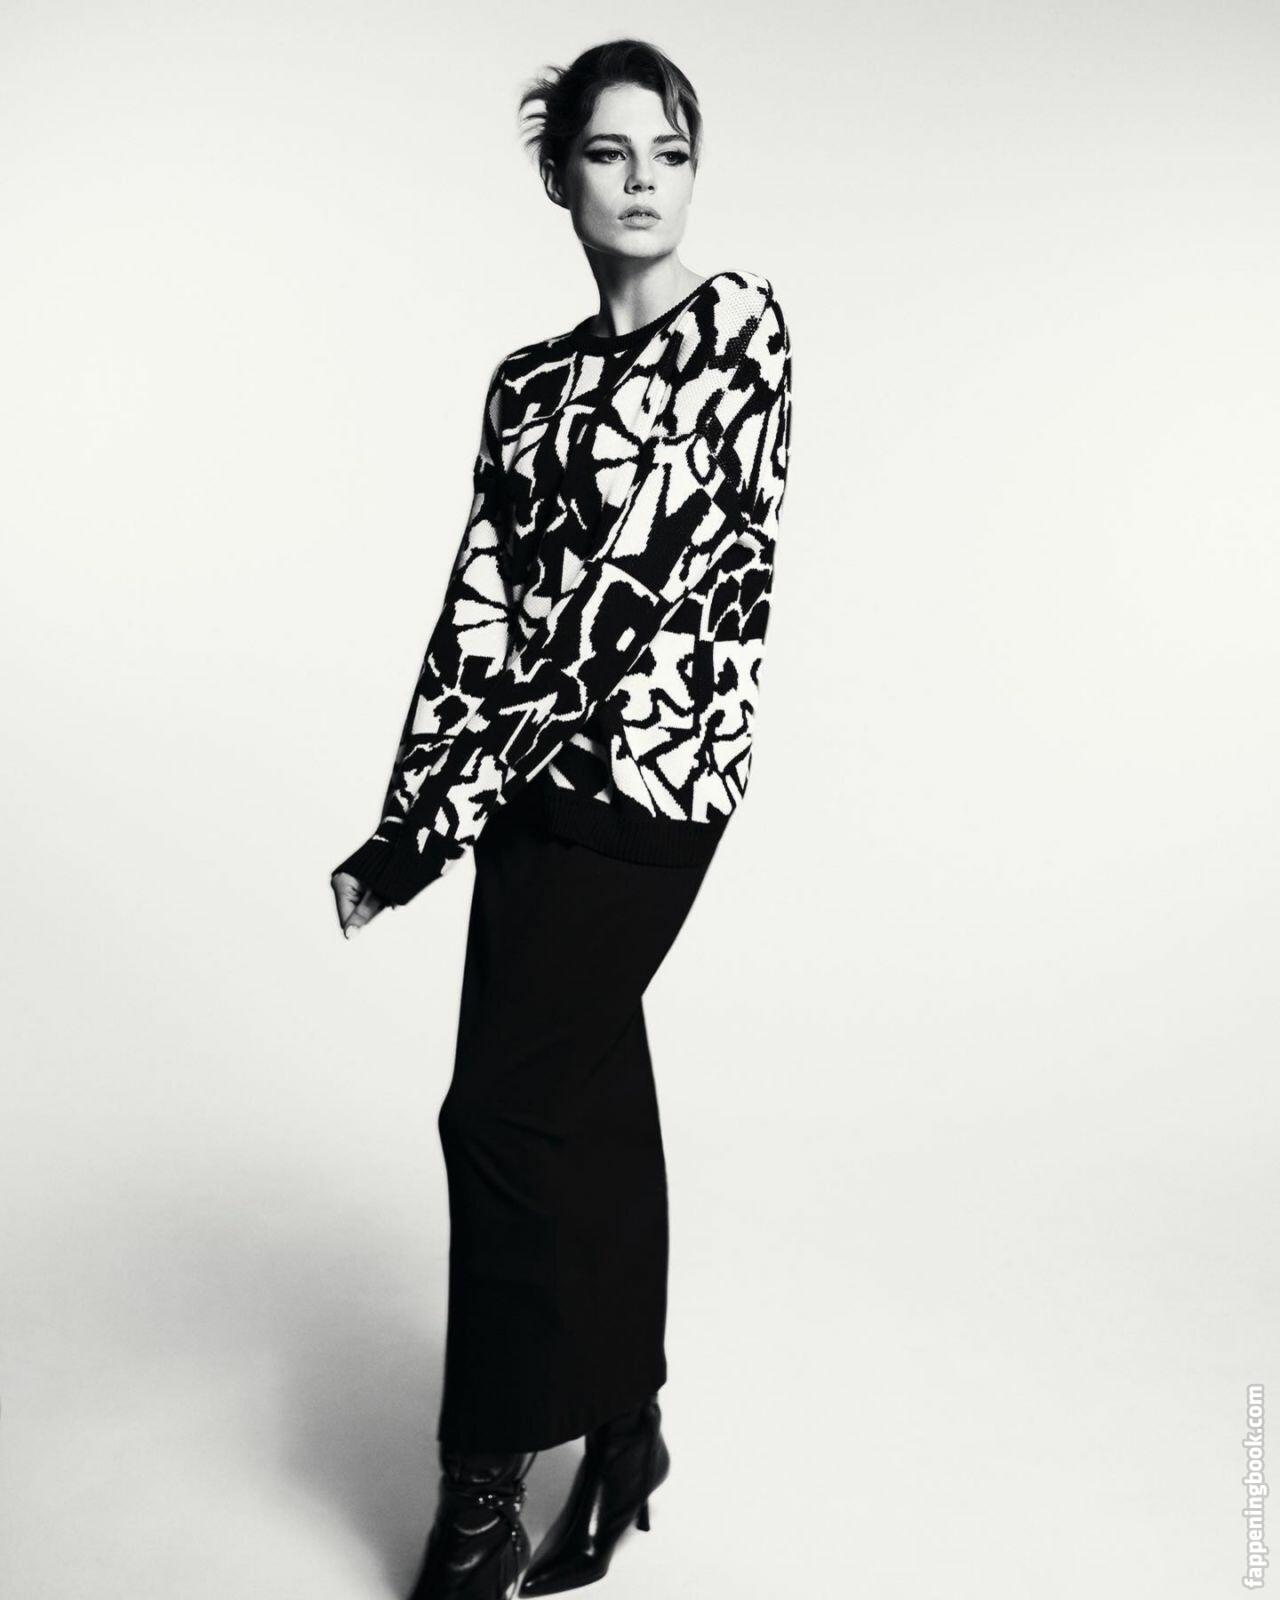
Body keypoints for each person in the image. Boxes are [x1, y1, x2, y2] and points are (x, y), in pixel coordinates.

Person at [330, 37, 793, 1600]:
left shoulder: (740, 333)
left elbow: (628, 592)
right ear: (561, 178)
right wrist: (411, 824)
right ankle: (626, 1430)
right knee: (583, 1099)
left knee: (498, 1116)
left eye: (670, 151)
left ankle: (480, 1498)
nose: (645, 180)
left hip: (650, 785)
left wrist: (460, 802)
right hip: (529, 789)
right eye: (610, 152)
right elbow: (482, 607)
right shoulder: (525, 386)